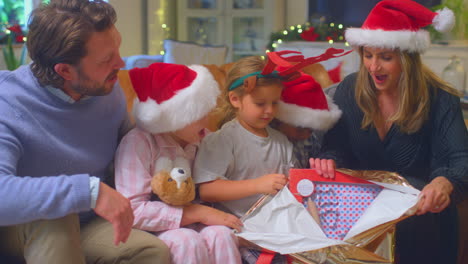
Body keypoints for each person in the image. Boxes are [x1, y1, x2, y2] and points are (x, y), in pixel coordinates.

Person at [0, 1, 170, 263]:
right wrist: (90, 191)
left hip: (87, 222)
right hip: (21, 228)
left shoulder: (105, 89)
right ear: (65, 70)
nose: (120, 63)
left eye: (117, 49)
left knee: (151, 252)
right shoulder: (7, 102)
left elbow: (129, 149)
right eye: (106, 59)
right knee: (56, 219)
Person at [310, 1, 468, 263]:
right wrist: (330, 161)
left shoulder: (440, 98)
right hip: (363, 218)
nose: (373, 67)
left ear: (407, 58)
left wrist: (443, 183)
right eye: (368, 55)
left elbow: (461, 160)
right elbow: (336, 147)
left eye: (385, 57)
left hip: (421, 223)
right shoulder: (350, 89)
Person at [114, 62, 243, 264]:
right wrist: (195, 213)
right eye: (197, 114)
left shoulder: (205, 140)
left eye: (207, 111)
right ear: (173, 117)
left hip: (199, 221)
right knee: (186, 240)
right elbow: (133, 210)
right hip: (158, 227)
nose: (207, 119)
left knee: (222, 235)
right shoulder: (138, 143)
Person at [193, 54, 297, 264]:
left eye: (275, 103)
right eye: (260, 103)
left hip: (277, 233)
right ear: (235, 99)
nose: (269, 111)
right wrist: (258, 185)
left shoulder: (282, 141)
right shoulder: (223, 140)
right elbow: (206, 190)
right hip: (239, 234)